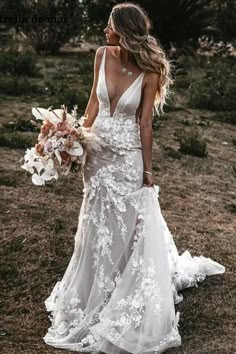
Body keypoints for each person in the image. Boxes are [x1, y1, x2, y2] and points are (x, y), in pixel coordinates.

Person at [43, 3, 225, 353]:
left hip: (127, 157)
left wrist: (147, 171)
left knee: (129, 223)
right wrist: (71, 140)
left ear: (123, 29)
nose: (104, 29)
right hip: (96, 156)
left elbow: (144, 122)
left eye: (109, 24)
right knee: (96, 222)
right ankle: (93, 287)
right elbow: (91, 107)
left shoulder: (150, 69)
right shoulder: (101, 55)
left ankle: (126, 287)